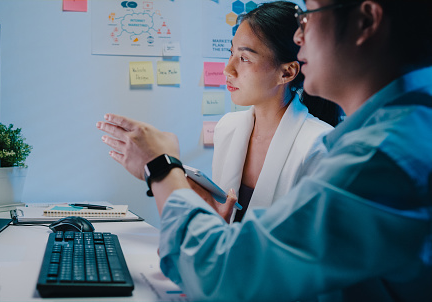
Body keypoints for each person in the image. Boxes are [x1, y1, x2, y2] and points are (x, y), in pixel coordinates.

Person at [97, 0, 432, 300]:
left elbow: (225, 274)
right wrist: (210, 221)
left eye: (308, 14)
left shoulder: (379, 157)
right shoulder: (384, 136)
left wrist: (161, 166)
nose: (300, 36)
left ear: (365, 21)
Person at [212, 2, 337, 222]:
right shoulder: (227, 128)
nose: (227, 69)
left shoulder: (319, 146)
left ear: (287, 72)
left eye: (244, 58)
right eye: (231, 53)